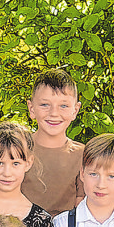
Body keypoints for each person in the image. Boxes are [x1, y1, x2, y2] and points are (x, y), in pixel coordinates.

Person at [22, 68, 84, 217]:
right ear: (31, 109)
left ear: (75, 110)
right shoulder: (17, 150)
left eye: (63, 106)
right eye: (45, 105)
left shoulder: (83, 155)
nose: (54, 113)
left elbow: (81, 204)